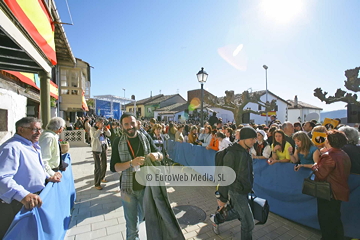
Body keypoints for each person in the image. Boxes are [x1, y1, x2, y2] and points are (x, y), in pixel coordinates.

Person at [0, 117, 59, 238]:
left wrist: (48, 176)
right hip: (17, 204)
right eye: (34, 129)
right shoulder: (12, 147)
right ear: (21, 129)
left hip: (33, 201)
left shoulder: (32, 145)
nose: (39, 132)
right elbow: (3, 178)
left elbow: (37, 167)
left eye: (40, 129)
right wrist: (23, 195)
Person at [110, 112, 163, 240]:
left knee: (148, 220)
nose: (130, 126)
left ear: (137, 123)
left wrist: (157, 155)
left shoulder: (145, 138)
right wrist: (130, 163)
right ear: (122, 126)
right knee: (131, 226)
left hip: (146, 188)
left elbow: (161, 155)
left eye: (132, 123)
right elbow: (114, 167)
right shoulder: (117, 141)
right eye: (126, 124)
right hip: (128, 191)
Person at [214, 127, 257, 238]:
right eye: (252, 139)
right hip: (236, 192)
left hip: (244, 190)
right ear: (243, 138)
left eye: (255, 139)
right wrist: (222, 198)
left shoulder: (247, 150)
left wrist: (249, 185)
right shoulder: (232, 153)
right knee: (248, 223)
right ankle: (216, 218)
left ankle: (215, 219)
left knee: (237, 212)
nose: (254, 141)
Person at [312, 130, 351, 240]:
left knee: (325, 219)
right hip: (339, 191)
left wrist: (315, 164)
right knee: (335, 218)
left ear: (329, 141)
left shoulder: (328, 155)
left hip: (328, 192)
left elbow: (320, 174)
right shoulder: (344, 154)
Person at [90, 118, 111, 190]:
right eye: (101, 123)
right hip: (96, 148)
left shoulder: (103, 128)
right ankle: (97, 183)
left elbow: (109, 134)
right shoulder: (93, 129)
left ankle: (102, 177)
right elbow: (94, 136)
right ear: (97, 123)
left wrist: (106, 130)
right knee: (98, 167)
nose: (102, 124)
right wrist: (99, 129)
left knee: (104, 164)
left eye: (103, 123)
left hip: (104, 147)